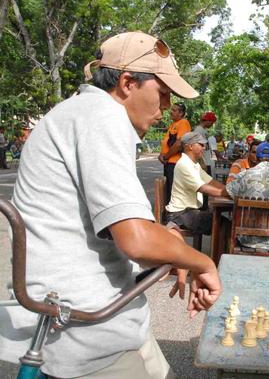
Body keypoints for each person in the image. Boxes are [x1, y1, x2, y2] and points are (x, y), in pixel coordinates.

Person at [1, 32, 222, 378]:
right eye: (162, 94)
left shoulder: (82, 112)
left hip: (98, 306)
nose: (165, 107)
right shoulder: (101, 117)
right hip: (81, 322)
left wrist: (173, 247)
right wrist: (202, 262)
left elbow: (120, 227)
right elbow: (137, 240)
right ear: (127, 82)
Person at [165, 131, 228, 242]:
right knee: (222, 224)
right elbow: (203, 188)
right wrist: (227, 193)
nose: (204, 148)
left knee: (221, 220)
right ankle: (217, 258)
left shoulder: (193, 164)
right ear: (190, 146)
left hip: (187, 212)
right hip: (179, 215)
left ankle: (219, 255)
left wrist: (227, 189)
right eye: (201, 145)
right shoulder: (184, 164)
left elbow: (211, 181)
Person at [158, 103, 191, 203]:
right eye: (171, 109)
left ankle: (173, 216)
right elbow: (167, 144)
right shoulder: (173, 124)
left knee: (173, 193)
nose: (171, 112)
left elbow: (179, 144)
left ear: (181, 113)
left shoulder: (183, 122)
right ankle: (169, 215)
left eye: (174, 110)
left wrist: (166, 156)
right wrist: (161, 155)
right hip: (169, 163)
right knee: (168, 191)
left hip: (175, 164)